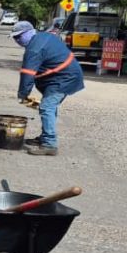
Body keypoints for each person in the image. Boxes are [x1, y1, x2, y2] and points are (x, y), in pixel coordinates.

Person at [10, 20, 84, 156]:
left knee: (47, 107)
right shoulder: (43, 37)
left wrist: (23, 95)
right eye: (15, 37)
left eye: (18, 36)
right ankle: (45, 137)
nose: (17, 40)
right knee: (49, 107)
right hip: (63, 76)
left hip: (64, 79)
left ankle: (49, 145)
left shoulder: (34, 48)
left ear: (28, 33)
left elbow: (27, 74)